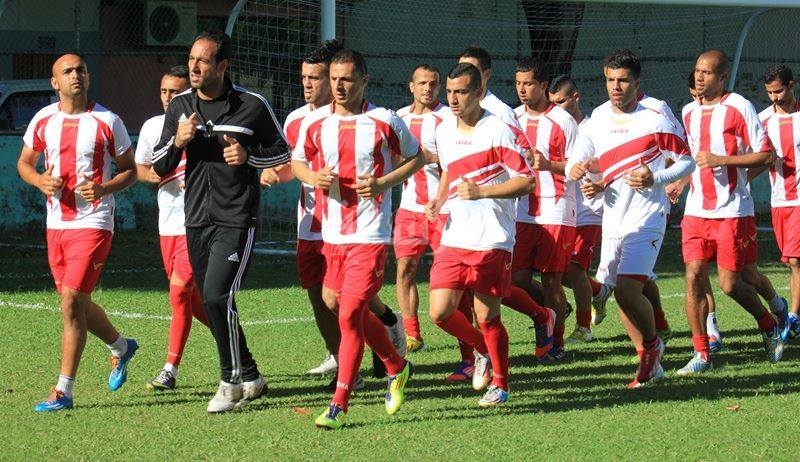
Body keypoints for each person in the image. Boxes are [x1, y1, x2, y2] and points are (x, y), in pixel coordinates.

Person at [152, 30, 290, 412]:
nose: (194, 66)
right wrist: (178, 142)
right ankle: (251, 374)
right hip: (195, 219)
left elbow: (281, 152)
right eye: (192, 58)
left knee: (217, 295)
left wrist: (248, 157)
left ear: (222, 65)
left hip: (237, 217)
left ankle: (229, 383)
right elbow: (158, 165)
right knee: (213, 301)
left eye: (204, 60)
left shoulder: (252, 104)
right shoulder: (179, 106)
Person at [291, 49, 422, 430]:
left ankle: (339, 402)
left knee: (349, 313)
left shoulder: (384, 120)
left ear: (365, 81)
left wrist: (382, 182)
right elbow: (299, 161)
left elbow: (416, 157)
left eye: (347, 79)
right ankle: (397, 366)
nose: (339, 86)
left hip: (371, 233)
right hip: (332, 233)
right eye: (334, 79)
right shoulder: (316, 123)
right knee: (332, 300)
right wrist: (311, 177)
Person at [266, 40, 404, 386]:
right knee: (323, 294)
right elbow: (294, 165)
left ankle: (376, 342)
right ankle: (341, 355)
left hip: (361, 225)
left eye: (316, 76)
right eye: (304, 77)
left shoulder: (376, 120)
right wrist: (276, 174)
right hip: (312, 223)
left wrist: (383, 182)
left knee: (353, 298)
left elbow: (408, 157)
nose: (308, 84)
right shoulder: (299, 119)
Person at [567, 49, 695, 387]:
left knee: (626, 290)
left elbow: (686, 162)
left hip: (648, 217)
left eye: (623, 80)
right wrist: (582, 175)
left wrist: (656, 178)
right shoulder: (596, 119)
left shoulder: (654, 118)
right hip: (613, 221)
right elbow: (575, 162)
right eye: (610, 80)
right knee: (618, 293)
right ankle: (649, 360)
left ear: (637, 83)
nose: (615, 86)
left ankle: (652, 347)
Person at [18, 53, 139, 412]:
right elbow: (25, 163)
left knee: (71, 301)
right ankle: (121, 346)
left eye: (81, 70)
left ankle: (63, 391)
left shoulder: (107, 120)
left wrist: (104, 188)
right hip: (56, 224)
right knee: (79, 303)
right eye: (67, 71)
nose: (76, 76)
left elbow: (130, 170)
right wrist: (40, 179)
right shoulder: (43, 119)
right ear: (55, 82)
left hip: (94, 221)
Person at [426, 62, 535, 406]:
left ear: (477, 93)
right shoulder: (443, 130)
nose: (453, 99)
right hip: (455, 236)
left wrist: (483, 193)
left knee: (488, 316)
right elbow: (448, 171)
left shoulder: (498, 130)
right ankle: (481, 350)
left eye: (461, 92)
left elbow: (527, 180)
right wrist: (438, 200)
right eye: (450, 92)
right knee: (440, 312)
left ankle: (500, 383)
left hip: (492, 238)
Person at [676, 49, 787, 375]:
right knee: (694, 277)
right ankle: (701, 354)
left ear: (722, 77)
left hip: (733, 211)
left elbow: (766, 155)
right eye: (697, 71)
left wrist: (723, 161)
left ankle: (767, 324)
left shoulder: (740, 107)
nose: (699, 77)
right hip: (696, 211)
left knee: (729, 283)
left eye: (707, 73)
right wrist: (681, 182)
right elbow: (695, 158)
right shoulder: (688, 112)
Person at [135, 65, 210, 391]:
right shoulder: (153, 127)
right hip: (167, 224)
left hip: (196, 222)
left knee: (179, 292)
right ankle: (232, 339)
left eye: (174, 92)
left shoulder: (203, 126)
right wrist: (151, 174)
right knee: (190, 301)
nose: (168, 98)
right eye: (164, 91)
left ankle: (170, 369)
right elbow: (141, 167)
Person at [511, 57, 578, 359]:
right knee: (515, 280)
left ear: (543, 85)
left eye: (528, 84)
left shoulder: (563, 121)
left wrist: (549, 164)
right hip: (521, 209)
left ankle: (556, 344)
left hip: (557, 208)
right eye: (518, 83)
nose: (522, 90)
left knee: (552, 280)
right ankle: (551, 314)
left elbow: (580, 166)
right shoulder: (511, 118)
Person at [548, 75, 602, 342]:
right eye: (552, 103)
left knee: (574, 268)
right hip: (563, 209)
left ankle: (584, 328)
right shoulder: (552, 128)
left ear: (576, 97)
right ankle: (599, 292)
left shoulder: (595, 126)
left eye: (561, 102)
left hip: (591, 209)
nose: (556, 108)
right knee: (560, 271)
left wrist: (592, 168)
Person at [758, 64, 800, 339]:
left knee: (796, 260)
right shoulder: (762, 120)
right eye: (770, 92)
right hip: (778, 201)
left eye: (779, 90)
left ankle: (794, 316)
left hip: (799, 202)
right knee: (791, 262)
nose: (775, 97)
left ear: (791, 85)